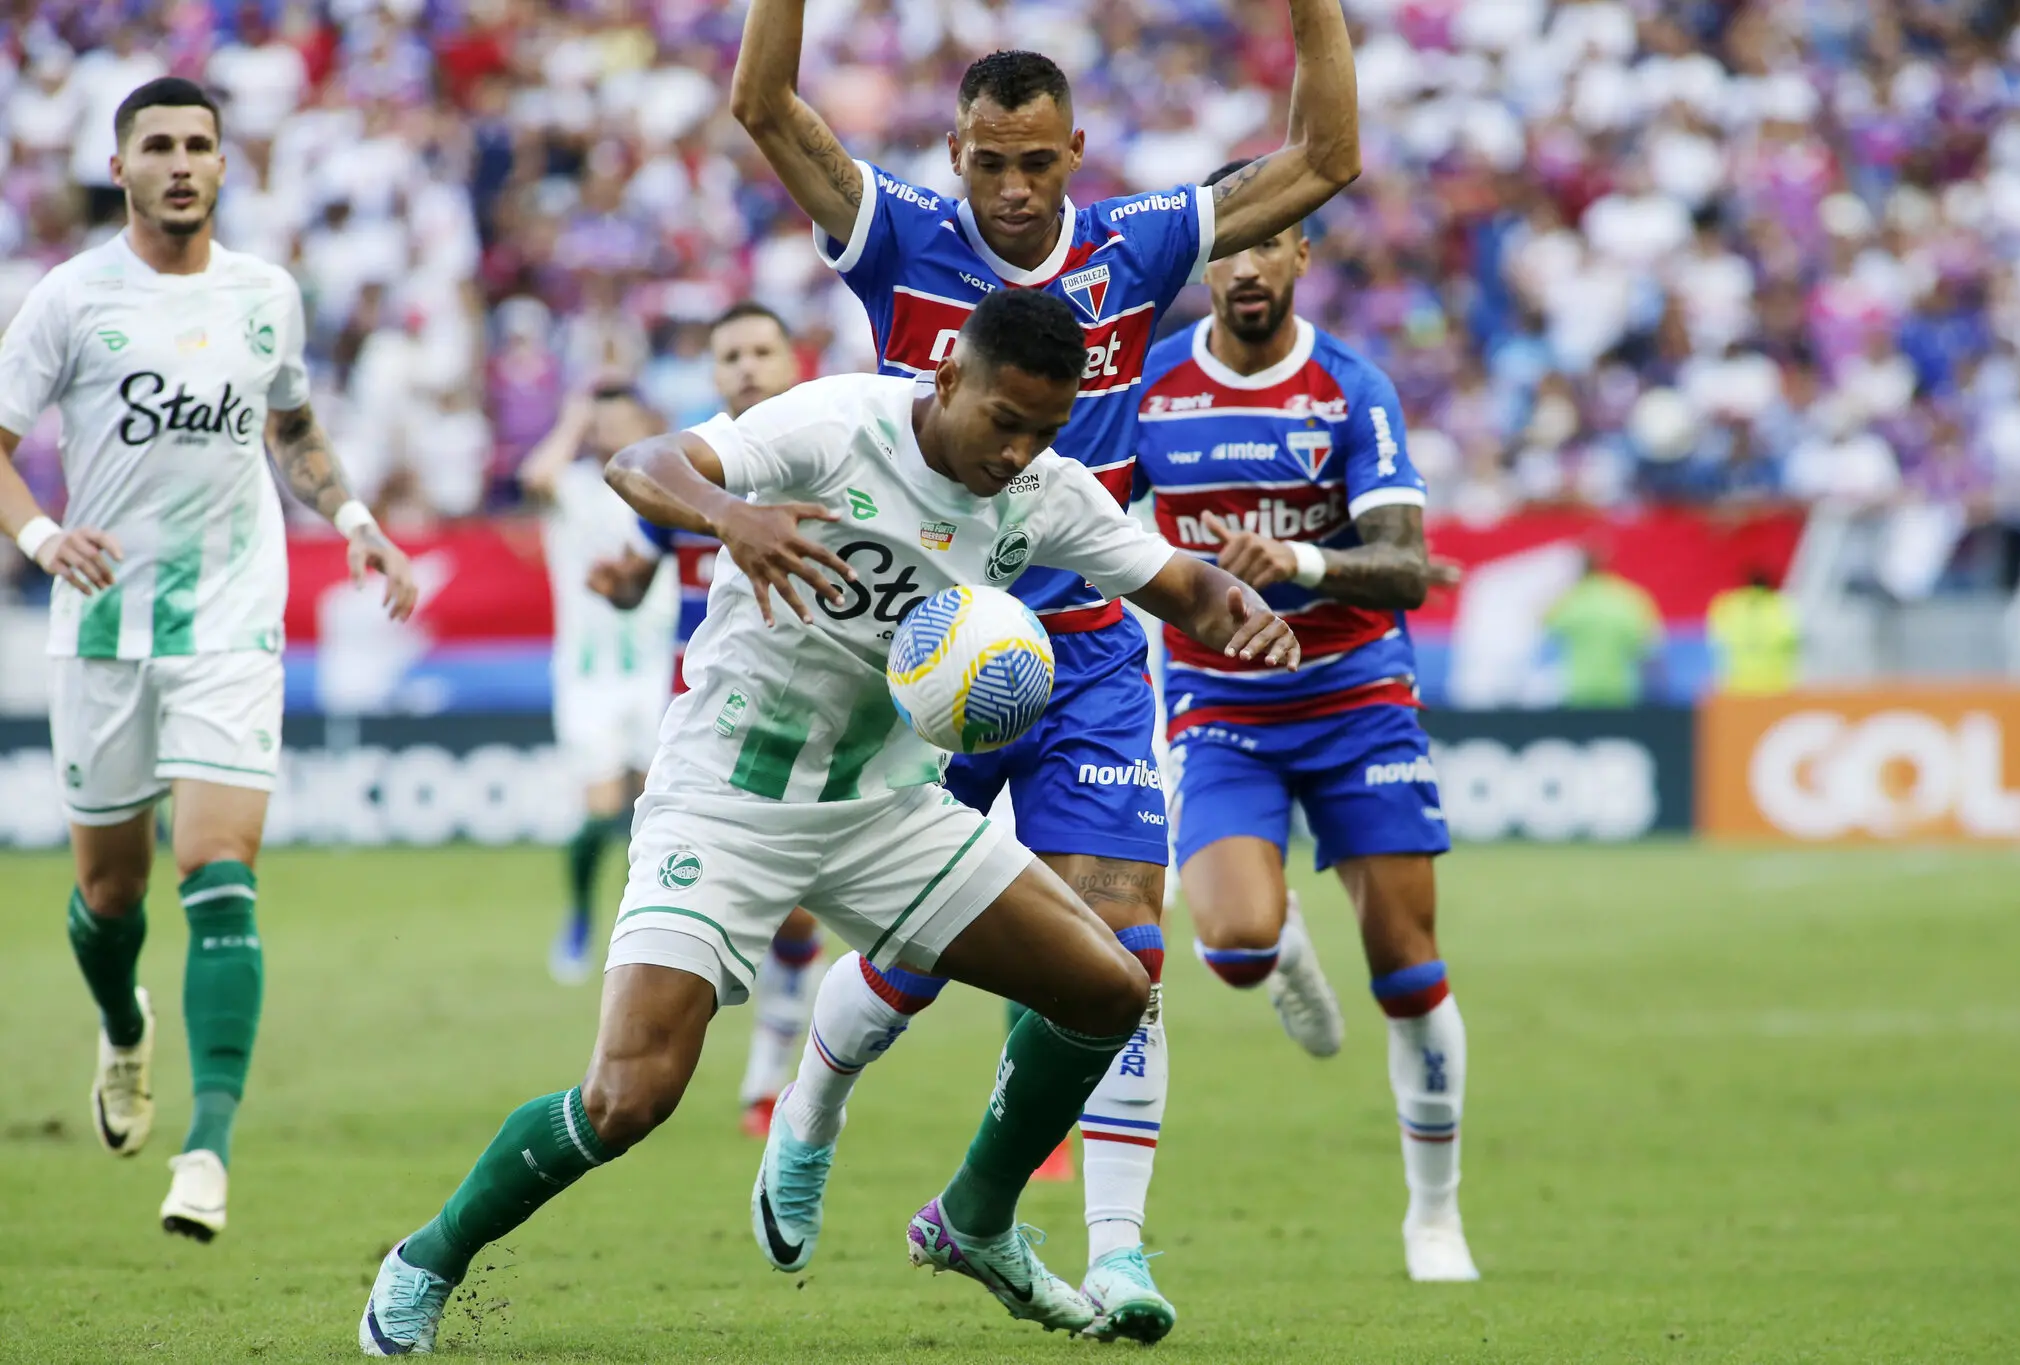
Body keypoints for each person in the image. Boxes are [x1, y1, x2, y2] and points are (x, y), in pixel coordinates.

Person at [356, 290, 1299, 1355]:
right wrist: (730, 516)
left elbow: (1176, 580)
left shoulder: (1042, 493)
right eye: (1004, 421)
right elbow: (642, 466)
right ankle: (426, 1257)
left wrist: (1237, 610)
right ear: (948, 377)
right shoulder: (832, 426)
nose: (1018, 450)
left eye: (1044, 429)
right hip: (726, 797)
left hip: (882, 807)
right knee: (629, 1098)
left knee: (1107, 989)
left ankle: (977, 1220)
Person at [730, 5, 1359, 1336]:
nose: (1014, 191)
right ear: (953, 152)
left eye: (1038, 164)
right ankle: (814, 1102)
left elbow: (1323, 159)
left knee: (1125, 942)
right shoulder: (897, 233)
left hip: (1085, 652)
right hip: (921, 650)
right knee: (913, 955)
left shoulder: (1140, 243)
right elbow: (766, 111)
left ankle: (1119, 1249)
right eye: (988, 164)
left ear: (1076, 150)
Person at [0, 78, 416, 1241]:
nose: (182, 163)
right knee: (108, 894)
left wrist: (356, 521)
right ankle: (124, 1030)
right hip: (101, 631)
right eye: (159, 147)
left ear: (224, 167)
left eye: (200, 146)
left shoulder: (264, 294)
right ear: (122, 166)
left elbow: (289, 426)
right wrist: (39, 534)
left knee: (218, 871)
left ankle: (208, 1149)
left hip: (234, 621)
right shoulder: (71, 299)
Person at [1132, 164, 1478, 1281]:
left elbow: (1407, 567)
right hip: (1218, 696)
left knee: (1406, 968)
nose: (1243, 265)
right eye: (1226, 246)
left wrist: (1302, 559)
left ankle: (1432, 1215)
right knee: (1229, 948)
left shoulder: (1349, 386)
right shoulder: (1149, 386)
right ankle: (1277, 945)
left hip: (1352, 696)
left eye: (1266, 244)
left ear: (1299, 260)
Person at [588, 302, 828, 1136]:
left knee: (792, 908)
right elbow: (641, 567)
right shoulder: (687, 468)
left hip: (795, 706)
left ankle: (769, 1068)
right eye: (731, 354)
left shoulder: (820, 456)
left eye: (764, 349)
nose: (749, 366)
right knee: (681, 881)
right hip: (697, 714)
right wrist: (618, 583)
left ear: (793, 360)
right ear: (713, 374)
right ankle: (675, 1047)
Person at [518, 383, 679, 984]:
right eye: (600, 423)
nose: (609, 432)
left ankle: (636, 929)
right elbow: (534, 477)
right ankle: (581, 915)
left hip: (655, 674)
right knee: (601, 808)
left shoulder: (662, 484)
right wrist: (572, 417)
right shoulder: (574, 488)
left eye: (621, 421)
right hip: (589, 678)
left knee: (649, 810)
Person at [1546, 547, 1665, 707]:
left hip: (1579, 689)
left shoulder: (1571, 600)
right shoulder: (1630, 598)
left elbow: (1546, 629)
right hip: (1621, 690)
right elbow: (1649, 648)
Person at [1706, 568, 1799, 694]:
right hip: (1774, 684)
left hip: (1737, 684)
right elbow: (1793, 639)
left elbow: (1714, 638)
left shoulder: (1730, 605)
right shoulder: (1779, 606)